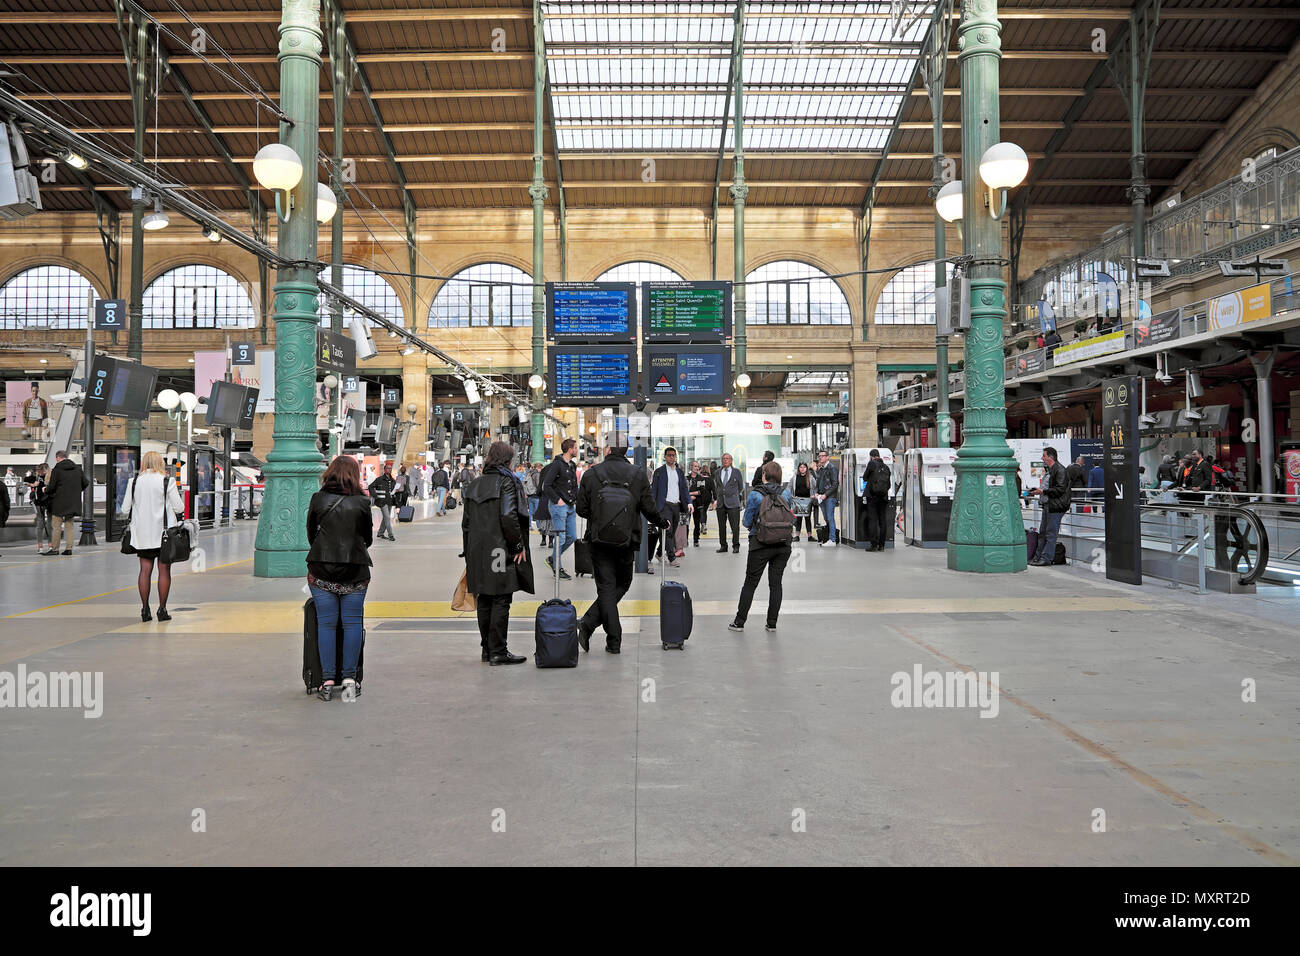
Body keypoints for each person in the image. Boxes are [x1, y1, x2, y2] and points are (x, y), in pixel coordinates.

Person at [574, 445, 667, 654]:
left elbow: (581, 509)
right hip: (627, 540)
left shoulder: (591, 474)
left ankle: (597, 630)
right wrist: (663, 523)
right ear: (626, 451)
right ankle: (599, 632)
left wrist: (599, 515)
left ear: (607, 450)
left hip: (598, 541)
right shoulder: (638, 475)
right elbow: (649, 508)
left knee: (606, 587)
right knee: (622, 584)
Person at [306, 455, 373, 700]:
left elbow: (311, 534)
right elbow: (368, 539)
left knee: (326, 624)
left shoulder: (318, 499)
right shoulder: (362, 503)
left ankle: (326, 681)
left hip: (321, 572)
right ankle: (349, 680)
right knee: (352, 623)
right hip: (355, 571)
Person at [461, 441, 532, 665]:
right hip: (499, 550)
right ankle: (499, 651)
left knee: (484, 598)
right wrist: (518, 546)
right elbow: (509, 517)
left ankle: (487, 649)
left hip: (477, 551)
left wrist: (467, 552)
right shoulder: (507, 482)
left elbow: (466, 524)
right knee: (501, 598)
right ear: (508, 460)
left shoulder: (474, 485)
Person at [728, 460, 795, 633]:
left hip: (760, 544)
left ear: (764, 475)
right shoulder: (786, 493)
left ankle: (739, 622)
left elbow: (746, 522)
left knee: (750, 583)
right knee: (776, 584)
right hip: (783, 544)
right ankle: (772, 623)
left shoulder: (755, 494)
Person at [121, 451, 185, 622]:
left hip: (141, 534)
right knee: (164, 570)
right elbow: (179, 508)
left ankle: (144, 610)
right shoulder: (167, 481)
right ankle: (162, 610)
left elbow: (125, 509)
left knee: (144, 570)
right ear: (160, 464)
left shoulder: (133, 482)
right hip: (164, 534)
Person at [541, 437, 579, 580]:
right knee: (561, 538)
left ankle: (552, 559)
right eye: (575, 448)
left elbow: (574, 485)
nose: (576, 450)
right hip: (559, 506)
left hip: (570, 506)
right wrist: (558, 500)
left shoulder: (572, 465)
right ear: (570, 449)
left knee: (572, 537)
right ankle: (558, 568)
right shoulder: (557, 464)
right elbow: (547, 485)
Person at [1029, 446, 1071, 566]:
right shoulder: (1053, 470)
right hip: (1050, 505)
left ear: (1050, 457)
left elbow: (1060, 489)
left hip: (1055, 506)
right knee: (1043, 532)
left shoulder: (1060, 470)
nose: (1042, 458)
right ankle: (1038, 557)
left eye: (1044, 456)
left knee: (1050, 533)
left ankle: (1046, 558)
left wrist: (1043, 492)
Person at [650, 446, 690, 568]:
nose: (672, 457)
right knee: (668, 530)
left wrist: (689, 502)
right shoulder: (659, 472)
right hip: (664, 506)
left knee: (671, 533)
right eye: (669, 455)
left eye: (673, 455)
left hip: (676, 506)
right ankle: (672, 558)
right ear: (665, 457)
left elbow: (684, 489)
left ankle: (659, 553)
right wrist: (653, 507)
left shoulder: (679, 472)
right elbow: (654, 490)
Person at [44, 450, 89, 556]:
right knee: (70, 525)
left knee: (56, 525)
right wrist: (76, 491)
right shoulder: (78, 469)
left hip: (59, 502)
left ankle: (55, 549)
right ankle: (69, 549)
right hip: (73, 502)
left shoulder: (57, 470)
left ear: (58, 458)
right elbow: (86, 483)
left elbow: (52, 487)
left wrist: (45, 490)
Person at [712, 452, 745, 554]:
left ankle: (736, 546)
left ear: (731, 461)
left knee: (735, 526)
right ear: (721, 461)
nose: (725, 460)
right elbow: (717, 486)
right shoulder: (717, 472)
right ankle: (723, 546)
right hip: (721, 503)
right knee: (721, 526)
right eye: (723, 459)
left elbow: (740, 486)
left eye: (727, 458)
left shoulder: (737, 472)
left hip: (733, 503)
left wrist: (734, 495)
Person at [861, 449, 892, 552]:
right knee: (882, 520)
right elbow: (889, 484)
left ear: (871, 456)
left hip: (872, 496)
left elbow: (865, 477)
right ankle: (882, 545)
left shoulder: (871, 464)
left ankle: (874, 545)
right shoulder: (886, 467)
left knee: (872, 520)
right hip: (883, 497)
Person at [24, 464, 53, 554]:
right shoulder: (48, 477)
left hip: (42, 502)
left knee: (43, 524)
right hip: (46, 502)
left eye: (39, 471)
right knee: (47, 524)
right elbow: (25, 481)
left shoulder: (41, 477)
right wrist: (32, 484)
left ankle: (43, 546)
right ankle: (48, 545)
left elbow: (25, 481)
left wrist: (32, 484)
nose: (39, 473)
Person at [814, 448, 839, 546]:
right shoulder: (821, 469)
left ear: (827, 457)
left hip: (829, 497)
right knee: (826, 518)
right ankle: (829, 537)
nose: (820, 457)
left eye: (822, 456)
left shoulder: (831, 468)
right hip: (822, 497)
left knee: (830, 517)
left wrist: (825, 495)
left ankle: (832, 539)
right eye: (819, 456)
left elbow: (835, 484)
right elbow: (818, 483)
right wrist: (817, 493)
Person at [370, 460, 397, 541]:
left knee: (385, 518)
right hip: (382, 502)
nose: (389, 469)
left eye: (390, 468)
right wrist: (375, 496)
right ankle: (391, 534)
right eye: (388, 468)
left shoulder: (393, 481)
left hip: (390, 501)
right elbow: (370, 487)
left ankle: (380, 533)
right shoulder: (379, 479)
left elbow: (394, 490)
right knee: (387, 517)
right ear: (384, 470)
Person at [687, 460, 713, 547]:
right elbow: (683, 490)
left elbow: (701, 491)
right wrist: (690, 495)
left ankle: (696, 540)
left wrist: (690, 494)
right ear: (691, 467)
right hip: (687, 503)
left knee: (697, 522)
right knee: (686, 522)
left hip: (698, 503)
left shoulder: (700, 478)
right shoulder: (687, 478)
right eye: (695, 466)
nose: (697, 468)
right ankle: (685, 540)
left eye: (698, 466)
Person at [791, 461, 815, 542]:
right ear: (798, 468)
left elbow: (815, 488)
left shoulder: (810, 478)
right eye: (801, 467)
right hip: (798, 501)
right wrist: (792, 496)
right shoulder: (795, 478)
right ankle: (797, 536)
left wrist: (813, 495)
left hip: (808, 501)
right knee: (798, 518)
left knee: (808, 518)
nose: (802, 469)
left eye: (804, 467)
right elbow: (789, 487)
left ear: (806, 468)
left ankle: (810, 536)